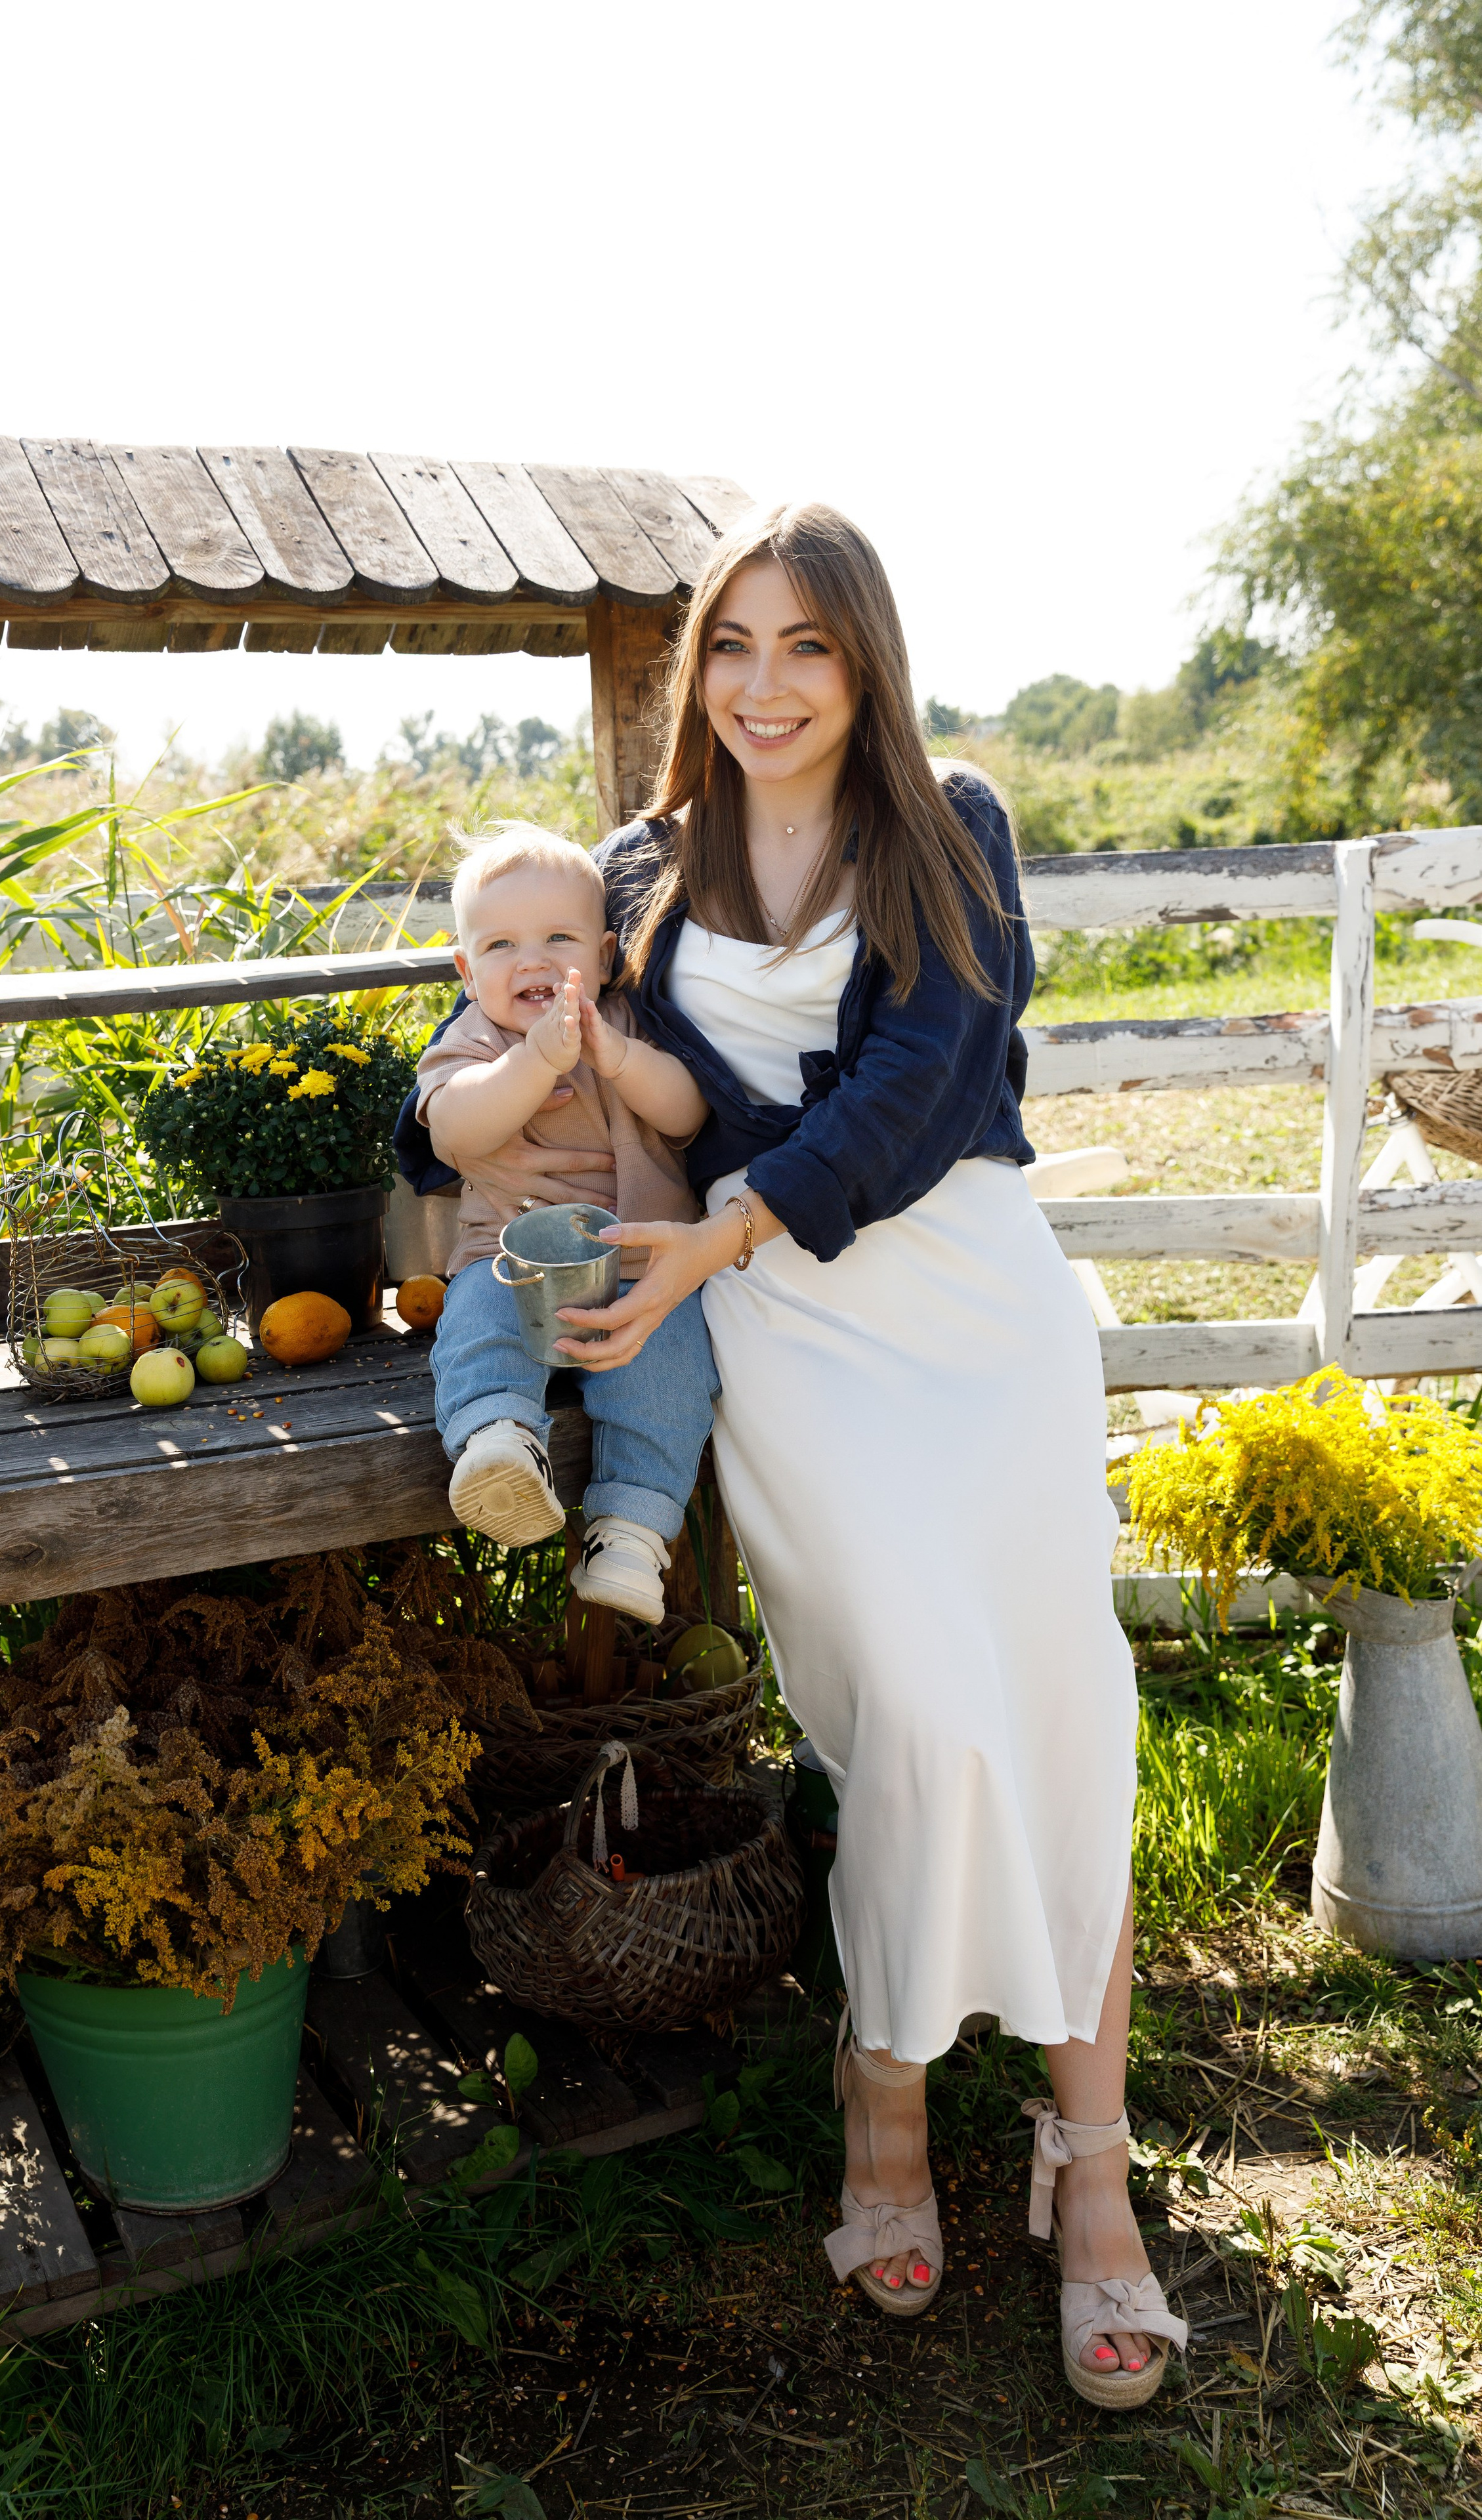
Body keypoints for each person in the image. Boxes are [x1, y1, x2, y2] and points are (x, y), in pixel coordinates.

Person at [550, 503, 1186, 2406]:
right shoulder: (641, 869)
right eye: (733, 645)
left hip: (974, 1309)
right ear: (698, 669)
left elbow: (925, 1086)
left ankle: (1093, 2168)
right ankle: (883, 2088)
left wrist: (726, 1219)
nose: (764, 686)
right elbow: (591, 1063)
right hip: (789, 1333)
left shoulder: (946, 822)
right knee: (913, 1706)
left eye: (806, 645)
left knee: (1054, 1710)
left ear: (866, 661)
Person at [415, 823, 719, 1625]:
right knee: (478, 1324)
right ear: (465, 970)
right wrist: (532, 1063)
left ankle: (631, 1534)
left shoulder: (625, 1024)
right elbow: (453, 1130)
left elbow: (687, 1113)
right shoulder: (474, 1039)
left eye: (559, 938)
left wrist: (616, 1058)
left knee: (670, 1377)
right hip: (508, 1262)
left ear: (605, 955)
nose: (533, 961)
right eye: (501, 945)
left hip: (640, 1270)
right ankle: (498, 1442)